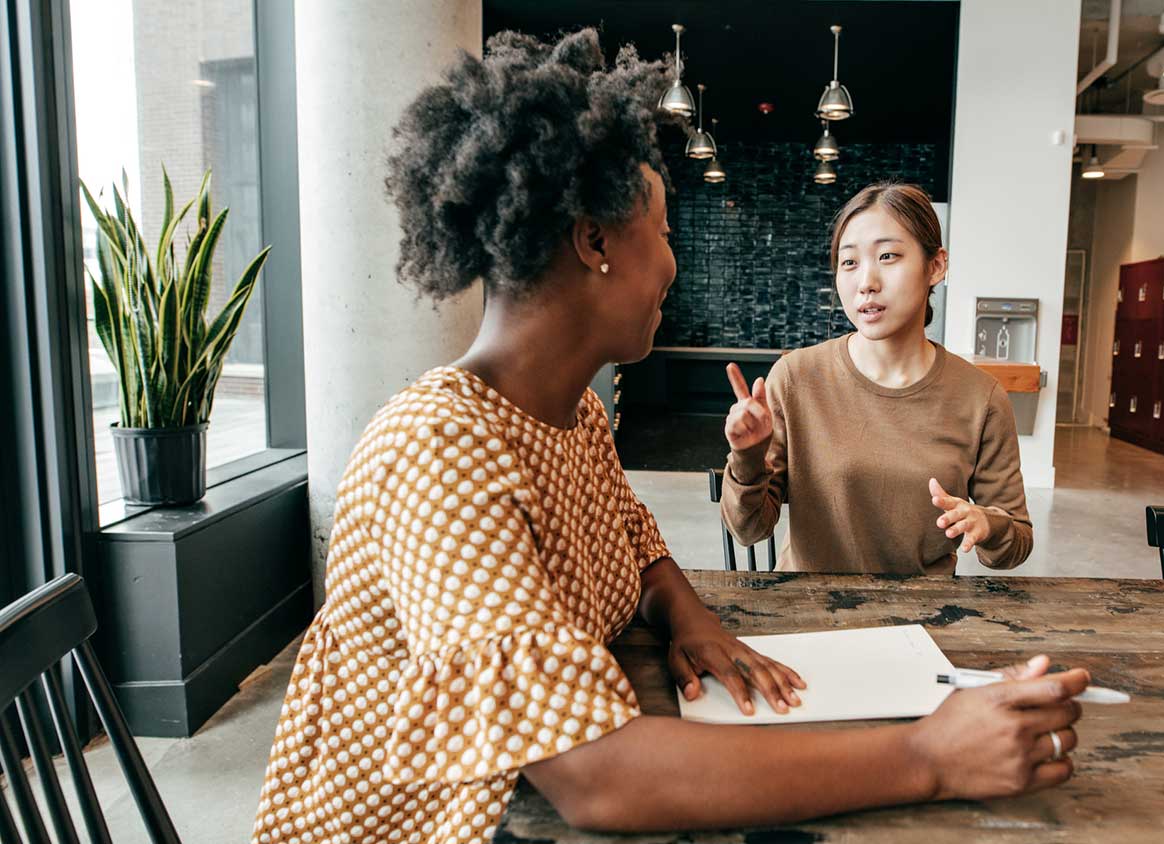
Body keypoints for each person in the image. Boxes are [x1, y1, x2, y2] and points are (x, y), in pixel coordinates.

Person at [250, 31, 1088, 844]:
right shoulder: (436, 447)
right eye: (666, 233)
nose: (675, 265)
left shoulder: (568, 409)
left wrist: (692, 618)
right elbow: (598, 778)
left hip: (510, 800)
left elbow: (634, 540)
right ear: (595, 242)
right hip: (424, 824)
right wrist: (928, 755)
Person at [719, 182, 1033, 575]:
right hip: (811, 614)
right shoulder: (796, 378)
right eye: (849, 262)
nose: (866, 281)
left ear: (935, 266)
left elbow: (1015, 541)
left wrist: (988, 524)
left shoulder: (980, 397)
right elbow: (748, 530)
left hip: (923, 618)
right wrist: (747, 457)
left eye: (888, 256)